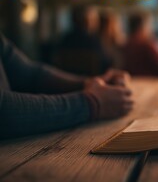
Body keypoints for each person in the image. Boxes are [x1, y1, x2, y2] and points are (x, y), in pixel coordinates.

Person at [0, 33, 133, 139]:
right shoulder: (95, 40)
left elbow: (31, 75)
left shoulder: (65, 38)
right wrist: (92, 102)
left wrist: (94, 83)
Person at [55, 4, 112, 75]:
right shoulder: (93, 41)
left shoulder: (64, 40)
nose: (97, 22)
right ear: (87, 20)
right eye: (94, 19)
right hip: (91, 82)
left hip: (66, 82)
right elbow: (105, 64)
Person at [123, 10, 158, 76]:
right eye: (149, 24)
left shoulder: (126, 44)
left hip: (132, 81)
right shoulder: (147, 46)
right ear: (142, 26)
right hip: (148, 82)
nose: (151, 28)